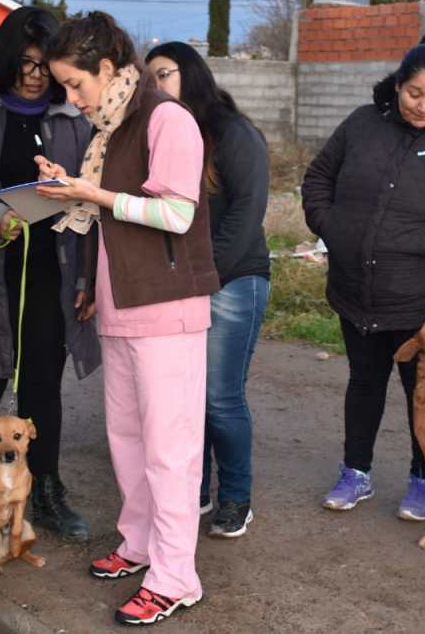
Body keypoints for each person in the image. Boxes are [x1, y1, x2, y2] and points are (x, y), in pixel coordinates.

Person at [37, 13, 219, 626]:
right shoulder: (107, 128)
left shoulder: (169, 118)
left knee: (171, 451)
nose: (70, 97)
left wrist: (91, 196)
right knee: (128, 441)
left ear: (108, 69)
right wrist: (72, 187)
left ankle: (176, 577)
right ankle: (138, 544)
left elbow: (176, 216)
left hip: (167, 309)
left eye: (75, 84)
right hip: (121, 306)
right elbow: (111, 214)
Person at [301, 34, 425, 521]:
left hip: (422, 300)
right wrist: (331, 228)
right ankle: (356, 472)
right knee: (363, 381)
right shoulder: (362, 125)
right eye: (414, 93)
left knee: (424, 392)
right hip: (356, 289)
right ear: (396, 86)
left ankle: (419, 477)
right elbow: (318, 178)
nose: (424, 106)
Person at [0, 6, 100, 542]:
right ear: (3, 58)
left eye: (44, 65)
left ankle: (43, 486)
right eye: (23, 63)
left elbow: (92, 203)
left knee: (43, 384)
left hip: (52, 268)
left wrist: (88, 277)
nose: (33, 75)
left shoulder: (75, 120)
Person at [144, 42, 270, 539]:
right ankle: (194, 488)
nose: (155, 86)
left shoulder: (234, 133)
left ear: (192, 74)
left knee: (220, 396)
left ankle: (237, 498)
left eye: (165, 74)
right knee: (186, 395)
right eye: (148, 78)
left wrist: (203, 273)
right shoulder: (161, 135)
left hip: (233, 279)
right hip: (185, 281)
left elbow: (246, 213)